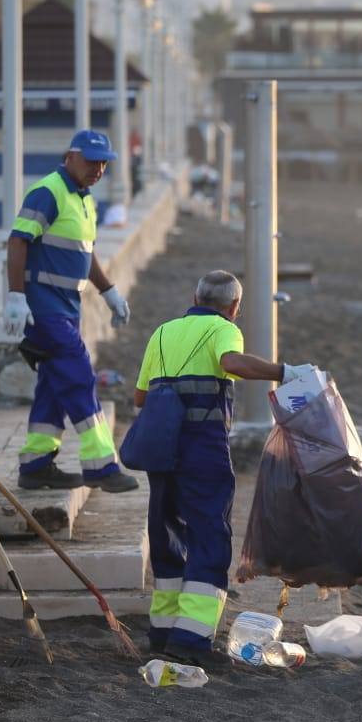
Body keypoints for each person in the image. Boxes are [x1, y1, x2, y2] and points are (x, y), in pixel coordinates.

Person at [133, 269, 313, 663]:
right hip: (202, 451)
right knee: (209, 537)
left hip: (162, 452)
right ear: (234, 307)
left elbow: (139, 397)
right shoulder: (223, 329)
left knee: (167, 536)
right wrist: (284, 372)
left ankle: (162, 633)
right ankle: (193, 640)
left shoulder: (162, 332)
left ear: (194, 297)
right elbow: (233, 363)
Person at [5, 129, 137, 493]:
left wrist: (108, 291)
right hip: (43, 310)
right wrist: (16, 296)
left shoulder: (84, 199)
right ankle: (101, 466)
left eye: (103, 163)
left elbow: (85, 252)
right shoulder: (49, 191)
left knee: (52, 386)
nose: (98, 169)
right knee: (80, 379)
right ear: (70, 156)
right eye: (92, 161)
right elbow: (18, 240)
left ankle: (35, 465)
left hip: (66, 309)